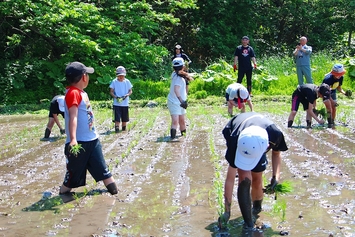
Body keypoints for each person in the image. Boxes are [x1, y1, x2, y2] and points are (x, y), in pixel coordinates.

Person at [218, 112, 288, 229]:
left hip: (259, 140)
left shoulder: (275, 134)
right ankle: (249, 223)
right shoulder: (235, 141)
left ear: (266, 147)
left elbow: (276, 153)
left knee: (257, 178)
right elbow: (230, 180)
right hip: (237, 131)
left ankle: (256, 208)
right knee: (244, 179)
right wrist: (227, 212)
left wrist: (276, 177)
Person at [59, 61, 118, 200]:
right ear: (84, 77)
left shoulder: (81, 92)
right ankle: (62, 193)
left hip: (92, 140)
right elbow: (73, 117)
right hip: (79, 143)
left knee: (104, 171)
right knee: (72, 177)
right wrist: (73, 139)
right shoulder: (73, 93)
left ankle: (115, 193)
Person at [167, 57, 188, 140]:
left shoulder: (176, 74)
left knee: (182, 120)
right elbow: (176, 90)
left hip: (181, 102)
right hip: (174, 102)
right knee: (175, 121)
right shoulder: (177, 78)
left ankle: (184, 137)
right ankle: (172, 139)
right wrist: (182, 101)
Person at [109, 66, 133, 133]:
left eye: (122, 76)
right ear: (117, 75)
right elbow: (111, 91)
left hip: (125, 103)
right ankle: (116, 129)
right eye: (119, 76)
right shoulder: (114, 82)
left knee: (124, 118)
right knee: (117, 118)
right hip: (117, 103)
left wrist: (126, 95)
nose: (121, 77)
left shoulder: (127, 82)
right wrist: (116, 97)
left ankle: (123, 129)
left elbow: (130, 91)